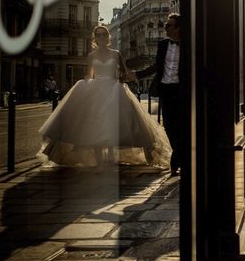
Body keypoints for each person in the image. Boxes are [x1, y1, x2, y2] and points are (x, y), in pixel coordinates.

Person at [37, 25, 171, 172]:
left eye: (104, 35)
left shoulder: (116, 54)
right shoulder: (91, 56)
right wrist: (85, 84)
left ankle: (112, 159)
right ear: (95, 38)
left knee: (114, 123)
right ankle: (100, 161)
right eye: (99, 35)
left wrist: (129, 77)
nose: (101, 37)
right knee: (96, 125)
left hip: (113, 88)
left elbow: (124, 73)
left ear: (108, 37)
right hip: (96, 89)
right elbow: (90, 74)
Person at [132, 13, 186, 176]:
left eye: (169, 25)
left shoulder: (188, 44)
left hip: (181, 89)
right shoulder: (163, 45)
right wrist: (137, 74)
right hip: (165, 89)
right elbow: (156, 66)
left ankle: (176, 160)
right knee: (169, 126)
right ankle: (178, 156)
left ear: (177, 28)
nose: (165, 28)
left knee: (181, 126)